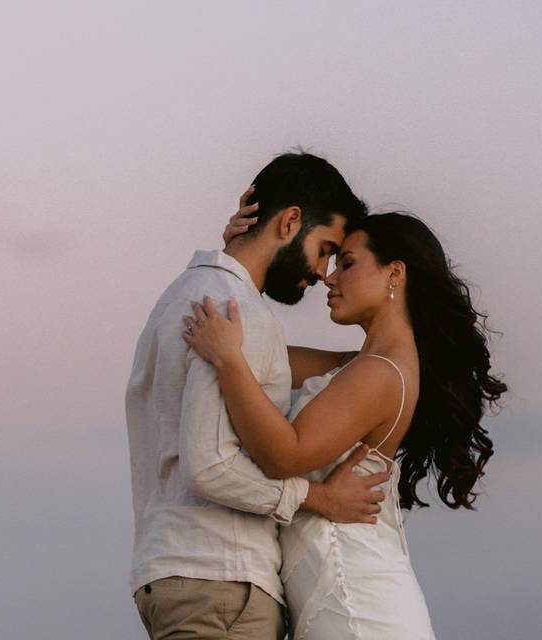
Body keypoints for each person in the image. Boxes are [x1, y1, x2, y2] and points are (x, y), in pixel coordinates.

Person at [183, 211, 508, 638]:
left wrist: (227, 362)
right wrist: (241, 257)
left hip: (357, 609)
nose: (330, 279)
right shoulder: (361, 365)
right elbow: (258, 348)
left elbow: (285, 454)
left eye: (348, 264)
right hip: (344, 601)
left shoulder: (380, 374)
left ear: (395, 274)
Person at [126, 151, 388, 640]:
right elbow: (210, 468)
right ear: (291, 221)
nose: (322, 273)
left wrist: (367, 361)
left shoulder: (183, 296)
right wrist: (320, 497)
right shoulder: (232, 308)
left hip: (178, 574)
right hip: (221, 582)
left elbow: (269, 368)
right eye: (326, 248)